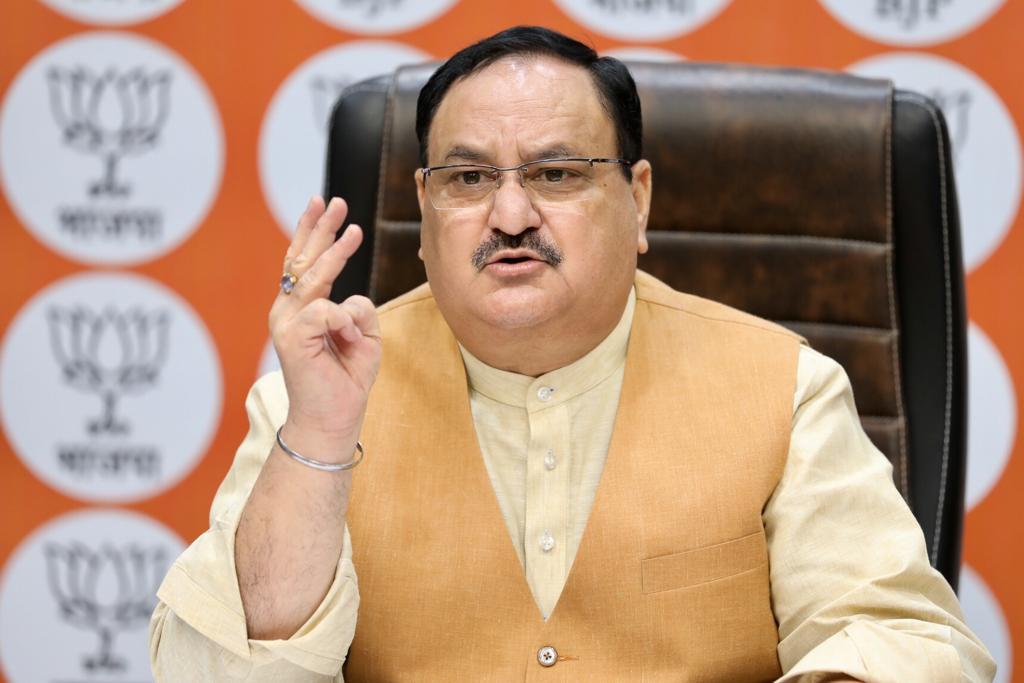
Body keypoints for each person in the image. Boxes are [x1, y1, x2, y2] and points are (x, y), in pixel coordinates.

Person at [149, 26, 995, 682]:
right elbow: (214, 670)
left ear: (637, 198)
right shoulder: (319, 396)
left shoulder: (785, 385)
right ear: (423, 207)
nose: (509, 213)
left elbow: (903, 639)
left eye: (556, 173)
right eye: (468, 178)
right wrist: (321, 443)